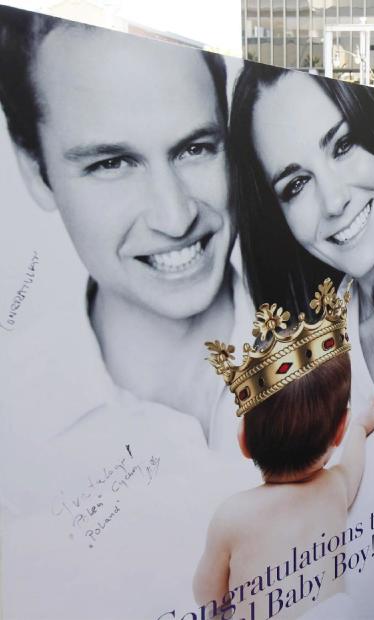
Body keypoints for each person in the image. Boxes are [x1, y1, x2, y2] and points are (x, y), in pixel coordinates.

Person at [0, 8, 248, 452]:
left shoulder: (354, 329)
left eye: (195, 149)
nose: (175, 218)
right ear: (35, 171)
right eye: (111, 164)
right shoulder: (11, 430)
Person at [229, 65, 374, 416]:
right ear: (276, 218)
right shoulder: (306, 345)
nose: (334, 200)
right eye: (296, 184)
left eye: (343, 145)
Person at [195, 280, 374, 618]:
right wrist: (362, 426)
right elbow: (354, 459)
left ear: (244, 441)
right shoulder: (334, 488)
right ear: (338, 430)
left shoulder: (231, 515)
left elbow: (208, 596)